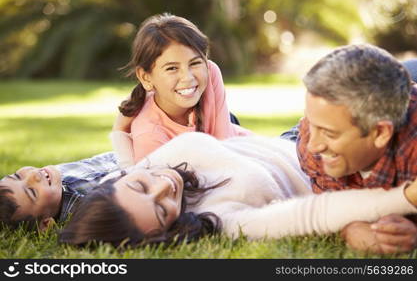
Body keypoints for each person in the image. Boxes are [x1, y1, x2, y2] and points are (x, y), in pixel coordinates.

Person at [59, 132, 417, 249]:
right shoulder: (220, 219)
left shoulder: (139, 169)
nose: (163, 187)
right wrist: (403, 198)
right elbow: (314, 213)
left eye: (140, 185)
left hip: (301, 132)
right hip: (337, 161)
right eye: (162, 209)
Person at [296, 44, 417, 254]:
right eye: (311, 123)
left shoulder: (411, 150)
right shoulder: (311, 144)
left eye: (329, 133)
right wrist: (348, 228)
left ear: (380, 133)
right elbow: (331, 206)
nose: (313, 145)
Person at [111, 13, 251, 168]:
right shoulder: (149, 134)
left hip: (228, 136)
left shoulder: (210, 71)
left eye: (195, 63)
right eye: (172, 68)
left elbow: (226, 144)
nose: (187, 78)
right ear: (146, 77)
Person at [0, 152, 119, 230]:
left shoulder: (54, 178)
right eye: (32, 192)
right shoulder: (89, 209)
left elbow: (100, 160)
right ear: (47, 224)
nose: (32, 174)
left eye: (16, 176)